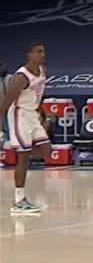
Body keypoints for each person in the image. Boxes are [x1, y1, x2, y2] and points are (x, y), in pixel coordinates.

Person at [0, 43, 50, 214]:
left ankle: (12, 147)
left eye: (43, 51)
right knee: (23, 158)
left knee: (46, 150)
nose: (42, 54)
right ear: (29, 55)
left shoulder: (42, 71)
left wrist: (41, 114)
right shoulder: (21, 77)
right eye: (38, 51)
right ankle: (19, 201)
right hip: (19, 115)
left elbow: (38, 95)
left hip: (32, 115)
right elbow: (6, 102)